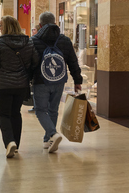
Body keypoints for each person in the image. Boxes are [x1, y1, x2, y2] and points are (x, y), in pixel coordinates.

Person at [0, 16, 40, 158]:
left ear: (6, 27)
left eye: (0, 26)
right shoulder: (28, 42)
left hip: (3, 85)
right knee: (16, 113)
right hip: (21, 85)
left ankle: (9, 142)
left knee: (3, 114)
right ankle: (16, 145)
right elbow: (35, 62)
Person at [32, 11, 82, 153]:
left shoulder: (34, 40)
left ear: (40, 25)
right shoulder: (64, 40)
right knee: (53, 110)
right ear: (55, 23)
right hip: (59, 80)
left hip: (40, 80)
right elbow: (73, 61)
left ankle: (52, 134)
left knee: (40, 110)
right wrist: (77, 80)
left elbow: (30, 63)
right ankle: (48, 140)